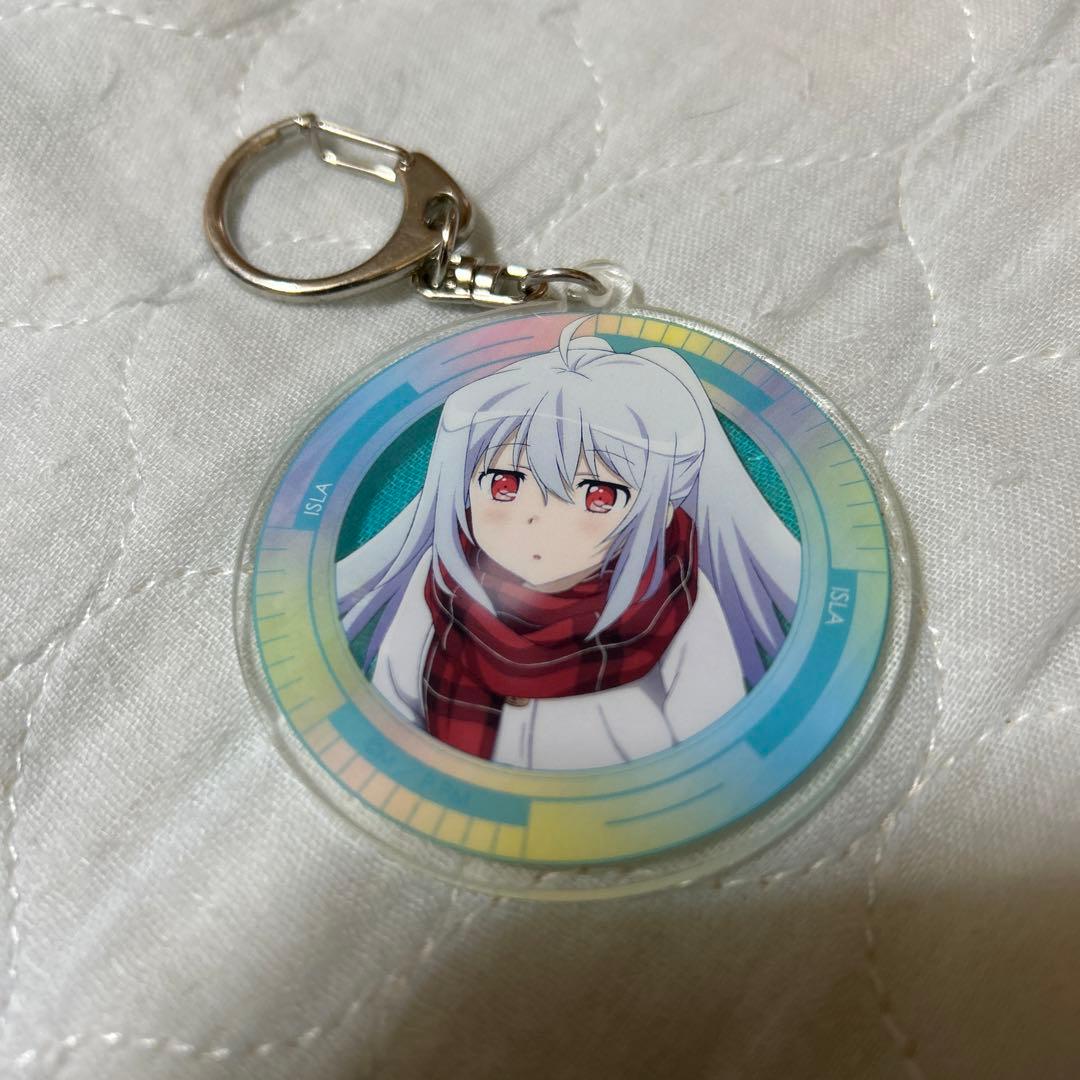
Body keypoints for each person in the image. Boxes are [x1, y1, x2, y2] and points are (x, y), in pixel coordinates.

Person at [336, 317, 800, 769]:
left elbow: (712, 739)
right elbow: (395, 698)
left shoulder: (676, 592)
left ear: (661, 510)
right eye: (504, 484)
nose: (538, 519)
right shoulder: (442, 577)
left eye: (599, 495)